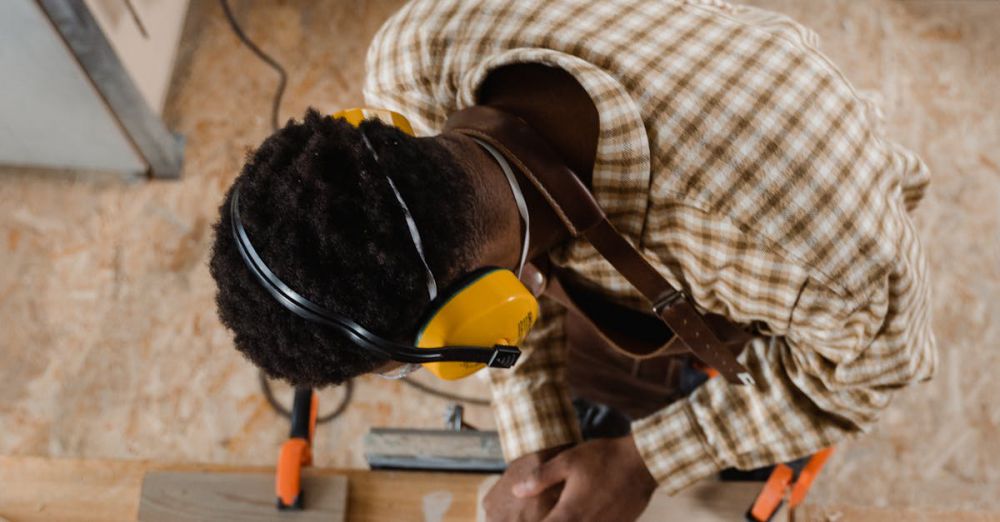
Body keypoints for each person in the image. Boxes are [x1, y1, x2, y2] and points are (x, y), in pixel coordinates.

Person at [209, 0, 935, 520]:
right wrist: (542, 449)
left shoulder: (802, 245)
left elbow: (874, 368)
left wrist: (644, 462)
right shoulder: (415, 56)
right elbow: (492, 240)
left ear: (480, 311)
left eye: (413, 361)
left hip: (790, 229)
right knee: (604, 376)